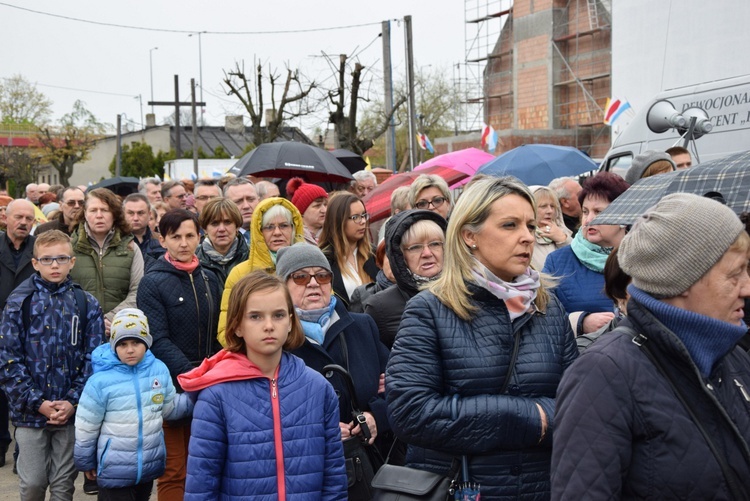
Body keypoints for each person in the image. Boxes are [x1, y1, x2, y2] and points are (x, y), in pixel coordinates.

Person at [385, 176, 578, 498]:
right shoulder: (430, 310)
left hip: (541, 488)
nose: (527, 237)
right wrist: (528, 416)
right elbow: (410, 413)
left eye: (530, 226)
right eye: (509, 225)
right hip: (460, 488)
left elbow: (578, 402)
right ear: (469, 235)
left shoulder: (548, 306)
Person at [552, 193, 750, 499]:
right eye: (735, 273)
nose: (747, 287)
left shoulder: (733, 357)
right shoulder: (602, 375)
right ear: (683, 278)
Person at [179, 271, 347, 499]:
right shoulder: (216, 395)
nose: (268, 325)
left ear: (290, 321)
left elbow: (334, 477)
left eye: (278, 315)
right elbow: (202, 484)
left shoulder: (317, 387)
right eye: (255, 317)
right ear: (237, 325)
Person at [275, 244, 390, 493]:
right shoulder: (274, 338)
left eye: (323, 275)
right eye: (301, 276)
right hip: (301, 474)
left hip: (364, 468)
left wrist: (374, 416)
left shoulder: (361, 327)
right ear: (283, 285)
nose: (314, 283)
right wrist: (313, 428)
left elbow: (399, 388)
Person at [0, 230, 105, 500]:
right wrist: (37, 402)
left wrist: (72, 401)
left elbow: (94, 359)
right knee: (33, 483)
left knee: (63, 485)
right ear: (35, 263)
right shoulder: (17, 303)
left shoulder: (86, 303)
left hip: (70, 413)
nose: (55, 265)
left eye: (61, 258)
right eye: (47, 259)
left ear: (72, 261)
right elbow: (8, 360)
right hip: (29, 413)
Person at [136, 209, 221, 501]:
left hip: (211, 382)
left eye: (189, 236)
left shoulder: (211, 278)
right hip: (171, 385)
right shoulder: (153, 282)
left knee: (207, 465)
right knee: (174, 469)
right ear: (163, 239)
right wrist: (192, 373)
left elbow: (221, 331)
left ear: (199, 236)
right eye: (175, 237)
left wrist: (214, 369)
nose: (183, 243)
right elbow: (157, 339)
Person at [74, 308, 193, 501]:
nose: (130, 349)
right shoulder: (100, 381)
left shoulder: (159, 370)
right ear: (113, 346)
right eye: (123, 344)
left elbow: (169, 408)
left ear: (146, 342)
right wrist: (85, 461)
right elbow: (87, 425)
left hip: (147, 467)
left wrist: (197, 397)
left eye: (136, 342)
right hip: (114, 469)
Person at [543, 172, 630, 335]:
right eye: (585, 211)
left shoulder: (641, 258)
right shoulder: (558, 261)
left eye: (598, 212)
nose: (588, 219)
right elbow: (543, 317)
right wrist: (580, 322)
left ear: (623, 216)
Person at [218, 197, 304, 345]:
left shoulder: (310, 267)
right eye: (269, 227)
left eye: (284, 226)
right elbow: (226, 331)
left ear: (294, 229)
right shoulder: (241, 273)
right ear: (259, 232)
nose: (277, 232)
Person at [363, 210, 447, 349]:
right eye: (415, 247)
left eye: (435, 244)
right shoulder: (380, 307)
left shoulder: (467, 291)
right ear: (400, 255)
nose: (427, 253)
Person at [70, 188, 144, 338]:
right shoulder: (69, 247)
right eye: (93, 210)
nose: (99, 215)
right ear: (84, 213)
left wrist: (111, 318)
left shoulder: (131, 247)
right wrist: (92, 320)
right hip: (79, 330)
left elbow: (137, 291)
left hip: (120, 330)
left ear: (114, 214)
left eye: (105, 210)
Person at [0, 199, 38, 468]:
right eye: (18, 217)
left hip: (30, 332)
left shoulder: (39, 248)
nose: (23, 222)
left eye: (28, 218)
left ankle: (21, 454)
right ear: (6, 218)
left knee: (21, 390)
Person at [318, 192, 378, 308]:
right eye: (355, 217)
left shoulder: (374, 254)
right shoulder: (324, 260)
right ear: (338, 221)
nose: (363, 221)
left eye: (364, 215)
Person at [196, 197, 248, 286]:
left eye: (227, 222)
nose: (221, 229)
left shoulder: (251, 256)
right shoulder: (194, 259)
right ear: (205, 229)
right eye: (215, 223)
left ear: (237, 226)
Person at [531, 186, 572, 270]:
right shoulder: (526, 237)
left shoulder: (563, 232)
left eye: (552, 206)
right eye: (543, 206)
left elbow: (578, 262)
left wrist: (563, 239)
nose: (550, 211)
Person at [123, 193, 165, 264]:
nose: (135, 218)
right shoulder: (114, 242)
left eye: (140, 213)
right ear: (123, 215)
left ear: (149, 214)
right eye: (131, 213)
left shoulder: (162, 240)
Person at [287, 177, 328, 245]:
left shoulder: (334, 234)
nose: (324, 210)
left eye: (325, 204)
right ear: (301, 211)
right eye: (317, 206)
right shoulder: (292, 237)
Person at [223, 177, 259, 245]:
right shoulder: (221, 238)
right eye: (238, 201)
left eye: (250, 199)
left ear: (259, 200)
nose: (246, 206)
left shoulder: (273, 232)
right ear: (226, 206)